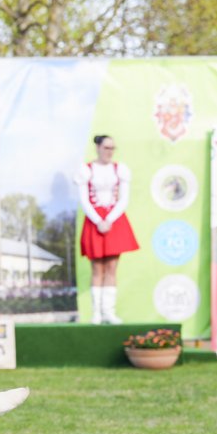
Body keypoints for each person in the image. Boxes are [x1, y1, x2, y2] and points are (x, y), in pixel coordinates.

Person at [74, 134, 140, 324]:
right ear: (98, 148)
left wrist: (109, 219)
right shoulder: (86, 170)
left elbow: (124, 199)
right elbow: (84, 200)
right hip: (94, 221)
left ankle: (109, 312)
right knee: (97, 268)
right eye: (106, 148)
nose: (109, 152)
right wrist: (98, 220)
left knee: (112, 267)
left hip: (114, 221)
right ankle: (96, 313)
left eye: (112, 148)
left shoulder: (120, 170)